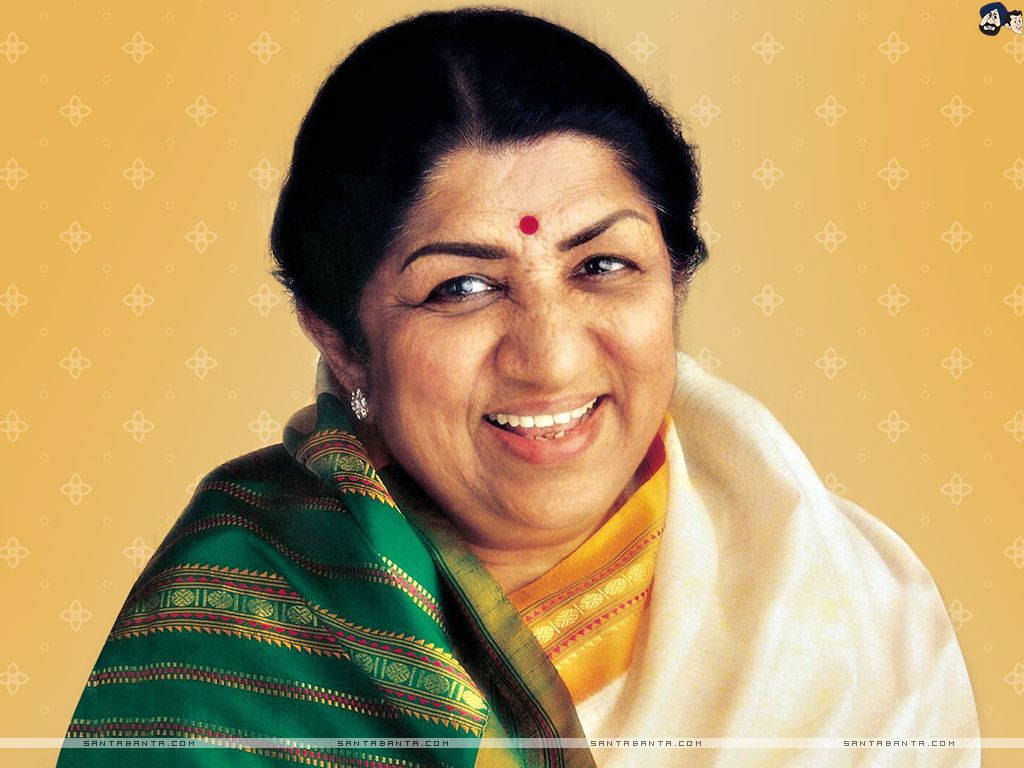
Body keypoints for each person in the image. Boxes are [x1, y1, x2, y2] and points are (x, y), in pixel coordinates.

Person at [56, 7, 980, 768]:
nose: (550, 359)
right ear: (340, 339)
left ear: (676, 278)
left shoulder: (854, 614)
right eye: (463, 287)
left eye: (602, 266)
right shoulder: (226, 630)